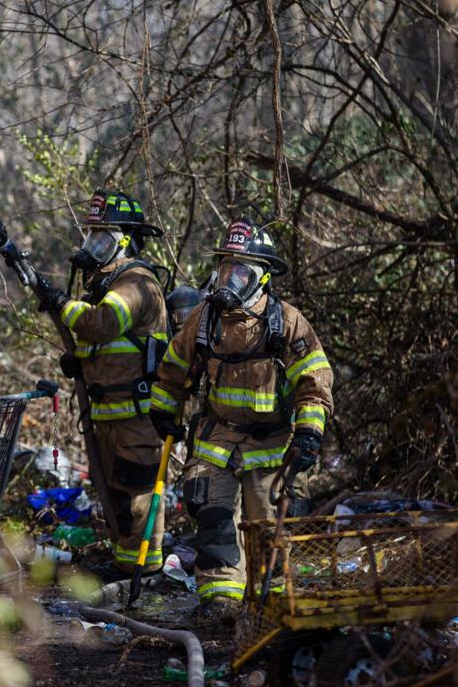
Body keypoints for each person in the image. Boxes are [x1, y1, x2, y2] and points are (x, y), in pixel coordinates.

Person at [147, 218, 333, 623]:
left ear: (261, 278)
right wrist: (163, 410)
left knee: (269, 532)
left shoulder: (287, 321)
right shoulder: (204, 319)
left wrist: (309, 432)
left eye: (241, 271)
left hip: (272, 444)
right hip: (218, 438)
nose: (230, 279)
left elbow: (315, 381)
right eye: (226, 269)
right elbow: (174, 368)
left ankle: (272, 607)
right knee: (213, 521)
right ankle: (221, 602)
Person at [33, 189, 171, 578]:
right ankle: (126, 565)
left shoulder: (136, 281)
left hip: (137, 415)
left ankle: (144, 573)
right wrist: (81, 361)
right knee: (113, 494)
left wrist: (62, 304)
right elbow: (109, 344)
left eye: (103, 239)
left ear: (124, 242)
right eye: (91, 237)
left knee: (137, 494)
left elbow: (104, 324)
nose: (93, 246)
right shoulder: (106, 282)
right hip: (109, 412)